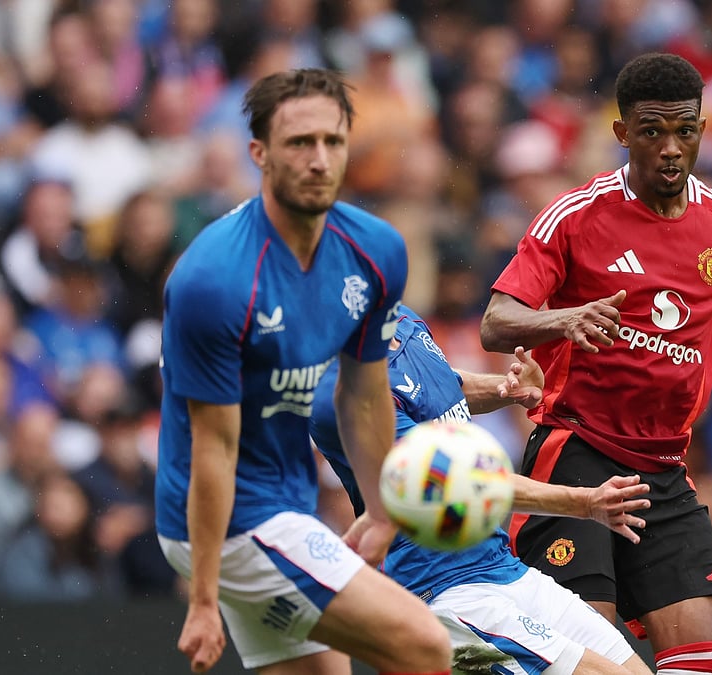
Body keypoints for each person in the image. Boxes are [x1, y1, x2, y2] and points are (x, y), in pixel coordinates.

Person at [480, 52, 712, 674]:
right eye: (653, 132)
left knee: (700, 659)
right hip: (577, 453)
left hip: (663, 469)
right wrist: (562, 319)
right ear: (623, 134)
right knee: (589, 658)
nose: (672, 148)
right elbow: (497, 320)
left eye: (686, 130)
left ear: (703, 129)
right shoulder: (576, 216)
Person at [154, 68, 451, 675]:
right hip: (226, 521)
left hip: (285, 506)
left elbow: (365, 394)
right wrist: (204, 598)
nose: (319, 160)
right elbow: (214, 446)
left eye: (332, 142)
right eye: (299, 143)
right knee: (425, 645)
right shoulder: (213, 279)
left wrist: (377, 509)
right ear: (259, 153)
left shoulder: (376, 250)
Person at [309, 305, 654, 675]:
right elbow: (460, 482)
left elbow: (444, 383)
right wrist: (586, 502)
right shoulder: (340, 392)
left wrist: (509, 388)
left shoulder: (403, 320)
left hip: (500, 565)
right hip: (443, 591)